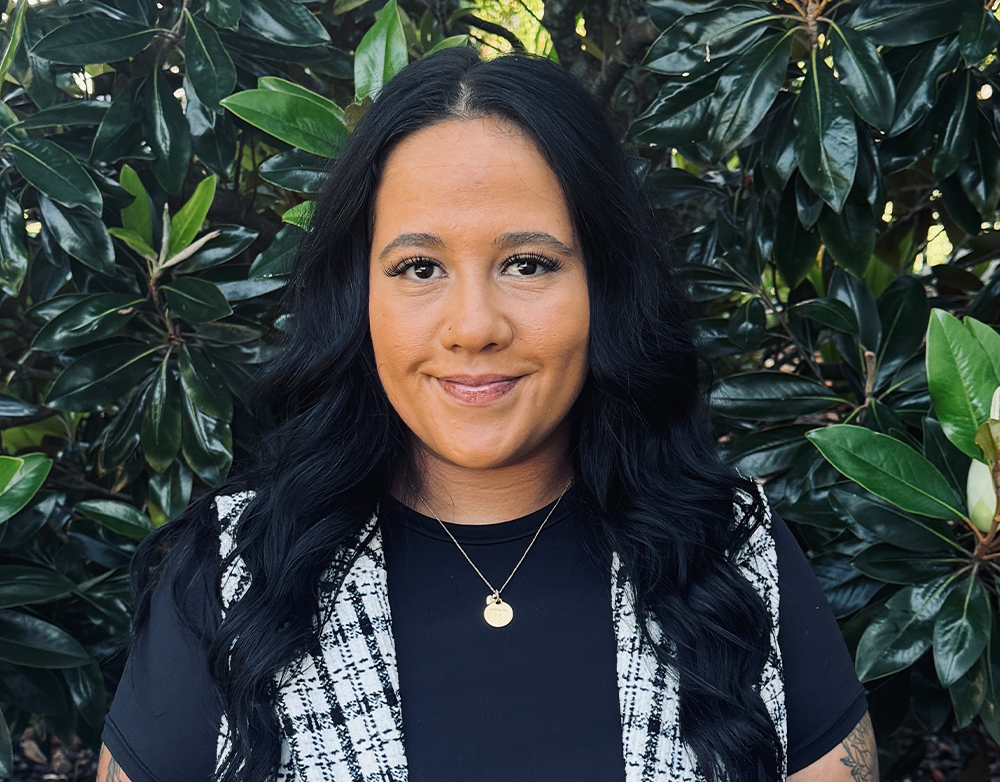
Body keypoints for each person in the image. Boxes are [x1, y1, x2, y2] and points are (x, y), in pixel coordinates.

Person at [97, 47, 874, 782]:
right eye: (419, 267)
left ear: (604, 286)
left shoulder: (731, 555)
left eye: (527, 263)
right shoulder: (239, 572)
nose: (473, 327)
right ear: (359, 297)